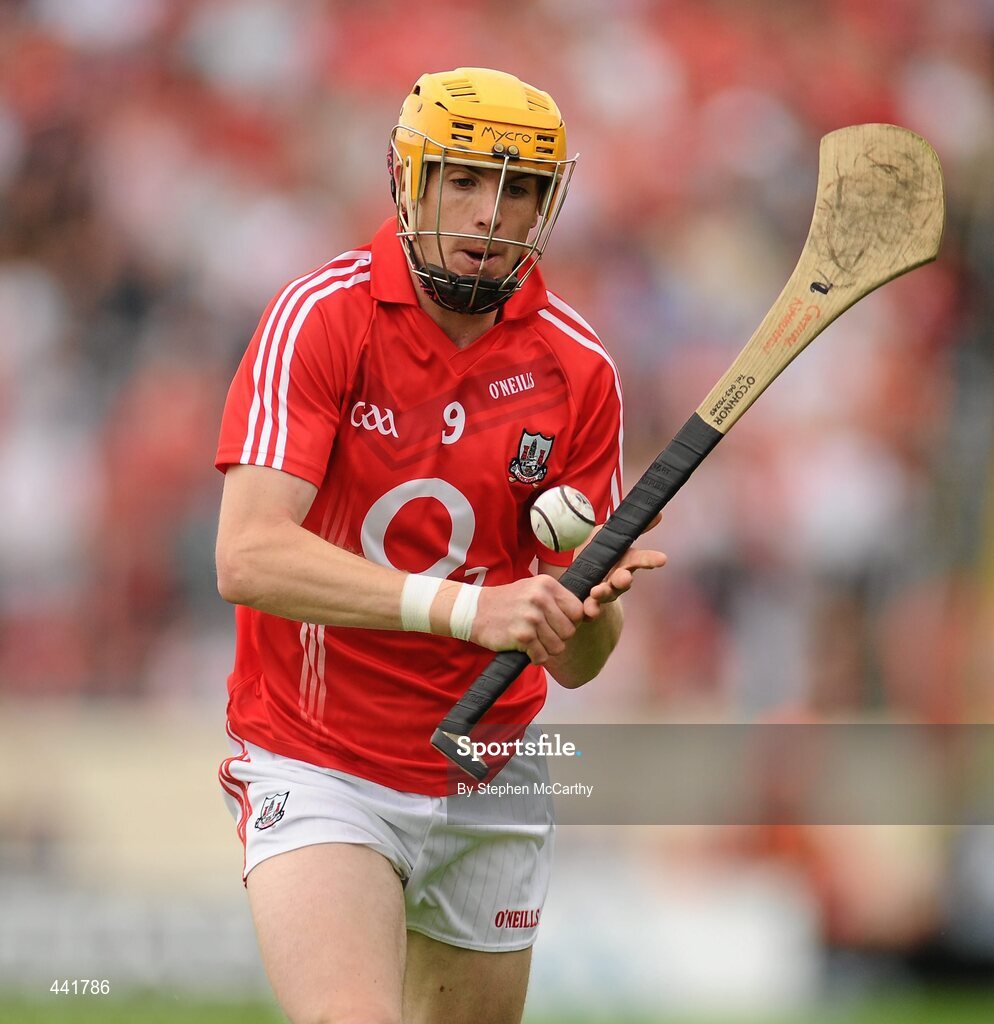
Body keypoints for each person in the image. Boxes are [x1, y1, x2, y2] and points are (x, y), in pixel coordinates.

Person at [214, 66, 665, 1024]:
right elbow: (247, 556)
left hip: (490, 765)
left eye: (523, 189)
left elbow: (581, 662)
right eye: (464, 178)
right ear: (408, 180)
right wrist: (474, 607)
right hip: (320, 756)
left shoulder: (579, 369)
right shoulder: (322, 318)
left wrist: (587, 607)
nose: (492, 212)